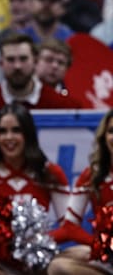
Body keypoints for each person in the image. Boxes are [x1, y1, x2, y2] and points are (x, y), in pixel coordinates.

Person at [0, 102, 70, 274]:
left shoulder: (49, 173)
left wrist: (34, 241)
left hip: (38, 262)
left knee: (65, 266)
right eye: (2, 131)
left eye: (16, 130)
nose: (8, 137)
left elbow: (69, 227)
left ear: (28, 134)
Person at [48, 109, 113, 275]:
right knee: (57, 262)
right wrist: (100, 246)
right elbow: (70, 226)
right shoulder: (92, 175)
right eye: (111, 131)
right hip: (107, 257)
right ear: (103, 137)